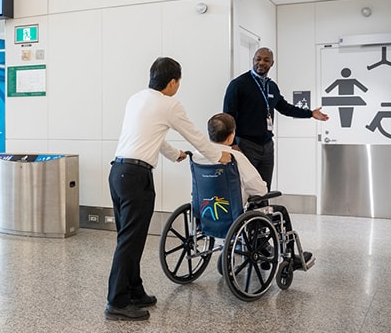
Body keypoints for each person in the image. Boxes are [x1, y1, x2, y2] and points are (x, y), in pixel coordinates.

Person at [105, 57, 231, 321]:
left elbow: (153, 137)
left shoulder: (136, 99)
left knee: (129, 238)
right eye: (179, 82)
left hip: (118, 172)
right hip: (136, 176)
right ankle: (116, 302)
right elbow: (195, 135)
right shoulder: (169, 104)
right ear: (173, 82)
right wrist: (218, 156)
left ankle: (134, 291)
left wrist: (176, 155)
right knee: (130, 240)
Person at [195, 113, 312, 270]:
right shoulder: (235, 156)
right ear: (231, 137)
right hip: (236, 216)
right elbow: (259, 189)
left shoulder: (197, 156)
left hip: (206, 214)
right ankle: (290, 257)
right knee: (280, 212)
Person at [223, 47, 329, 190]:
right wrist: (233, 144)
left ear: (272, 63)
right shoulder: (239, 84)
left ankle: (262, 212)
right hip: (245, 145)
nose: (261, 63)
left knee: (264, 188)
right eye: (258, 59)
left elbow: (285, 108)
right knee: (245, 187)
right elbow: (228, 116)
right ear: (253, 60)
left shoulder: (271, 86)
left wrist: (310, 113)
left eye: (266, 60)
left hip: (267, 146)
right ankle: (246, 213)